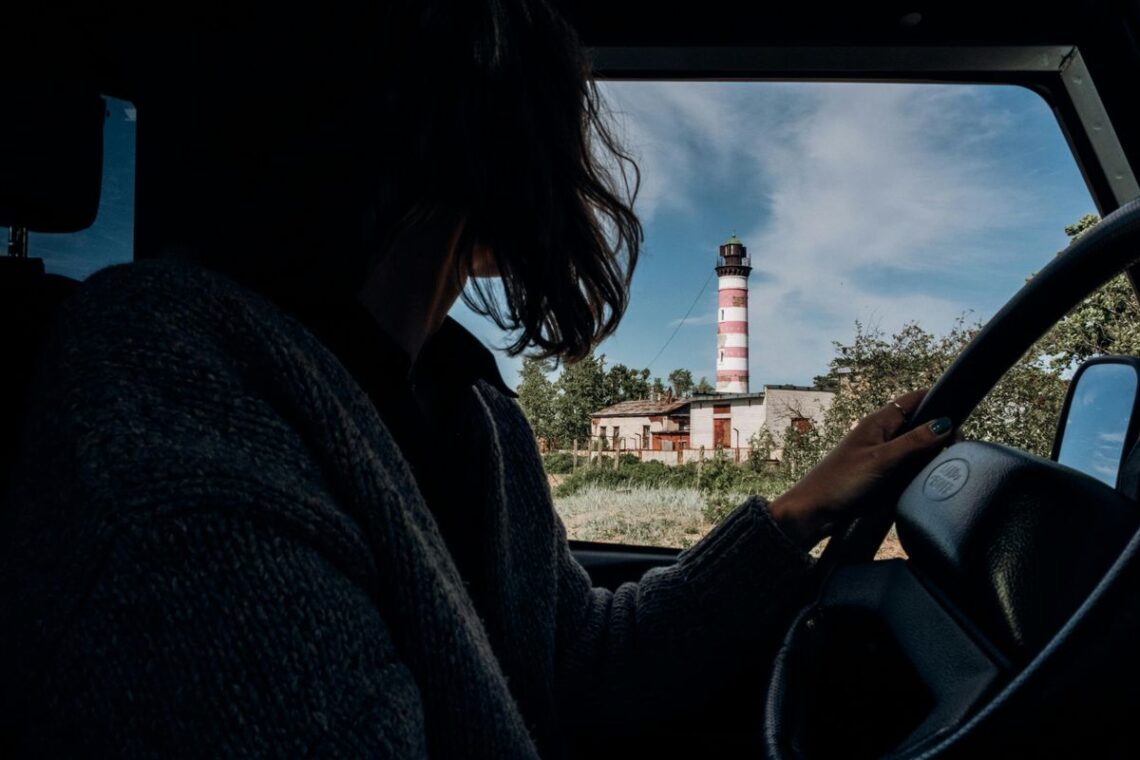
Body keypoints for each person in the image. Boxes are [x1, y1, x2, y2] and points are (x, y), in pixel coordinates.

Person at [0, 1, 952, 756]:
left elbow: (578, 664)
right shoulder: (177, 394)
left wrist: (795, 515)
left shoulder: (459, 401)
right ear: (476, 132)